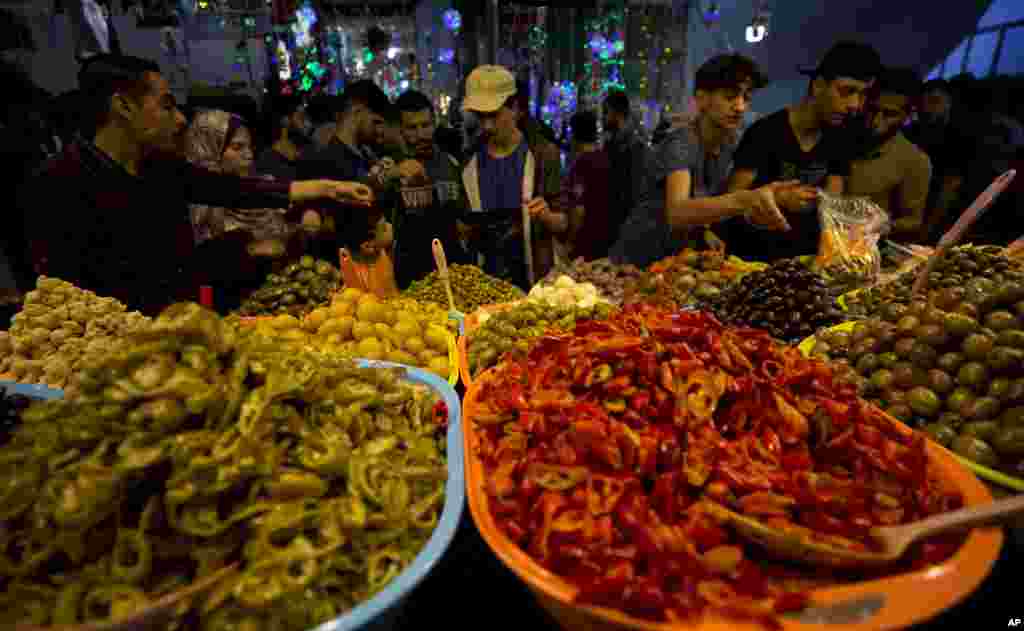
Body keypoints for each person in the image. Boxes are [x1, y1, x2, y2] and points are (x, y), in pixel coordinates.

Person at [21, 54, 372, 315]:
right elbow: (60, 296)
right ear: (123, 107)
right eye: (166, 106)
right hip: (108, 355)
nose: (179, 120)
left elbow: (235, 191)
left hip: (181, 335)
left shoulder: (160, 169)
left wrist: (328, 188)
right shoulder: (58, 184)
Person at [611, 54, 792, 267]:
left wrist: (703, 232)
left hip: (673, 264)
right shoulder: (681, 141)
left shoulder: (730, 143)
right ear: (701, 99)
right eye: (730, 96)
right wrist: (745, 199)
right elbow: (677, 213)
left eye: (746, 97)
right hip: (636, 263)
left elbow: (703, 200)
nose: (740, 106)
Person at [725, 40, 882, 261]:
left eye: (863, 94)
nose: (855, 104)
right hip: (753, 261)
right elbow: (730, 203)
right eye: (846, 92)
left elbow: (832, 202)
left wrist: (860, 219)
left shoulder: (841, 136)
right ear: (818, 85)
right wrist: (776, 199)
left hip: (807, 263)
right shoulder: (766, 132)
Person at [185, 109, 305, 311]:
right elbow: (200, 270)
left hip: (280, 307)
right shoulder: (199, 208)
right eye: (237, 147)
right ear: (210, 149)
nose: (248, 155)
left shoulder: (265, 187)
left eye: (249, 147)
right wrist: (250, 250)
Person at [460, 65, 567, 289]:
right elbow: (464, 230)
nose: (486, 126)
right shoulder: (468, 162)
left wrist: (547, 216)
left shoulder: (543, 154)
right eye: (480, 116)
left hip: (536, 288)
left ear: (516, 108)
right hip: (484, 290)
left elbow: (564, 223)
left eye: (494, 115)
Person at [846, 67, 932, 242]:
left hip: (865, 253)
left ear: (907, 116)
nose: (876, 121)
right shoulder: (840, 137)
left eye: (889, 114)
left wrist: (879, 226)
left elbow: (914, 221)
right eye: (872, 109)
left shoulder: (914, 160)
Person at [392, 90, 469, 288]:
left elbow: (464, 217)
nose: (421, 134)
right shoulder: (392, 167)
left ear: (434, 124)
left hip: (452, 271)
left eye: (425, 125)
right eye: (412, 128)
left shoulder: (451, 164)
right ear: (400, 129)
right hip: (410, 277)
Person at [562, 111, 612, 261]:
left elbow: (579, 209)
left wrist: (570, 243)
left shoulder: (581, 164)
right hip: (605, 241)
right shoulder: (605, 159)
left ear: (575, 134)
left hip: (584, 245)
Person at [603, 89, 650, 248]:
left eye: (606, 112)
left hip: (624, 223)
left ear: (616, 113)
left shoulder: (632, 146)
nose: (604, 118)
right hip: (616, 220)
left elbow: (634, 189)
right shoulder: (616, 142)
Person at [337, 205, 398, 299]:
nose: (390, 226)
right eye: (384, 229)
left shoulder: (384, 251)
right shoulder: (348, 264)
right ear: (368, 246)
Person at [255, 94, 309, 181]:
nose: (307, 124)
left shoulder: (306, 151)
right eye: (301, 117)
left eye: (307, 118)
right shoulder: (267, 159)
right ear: (285, 121)